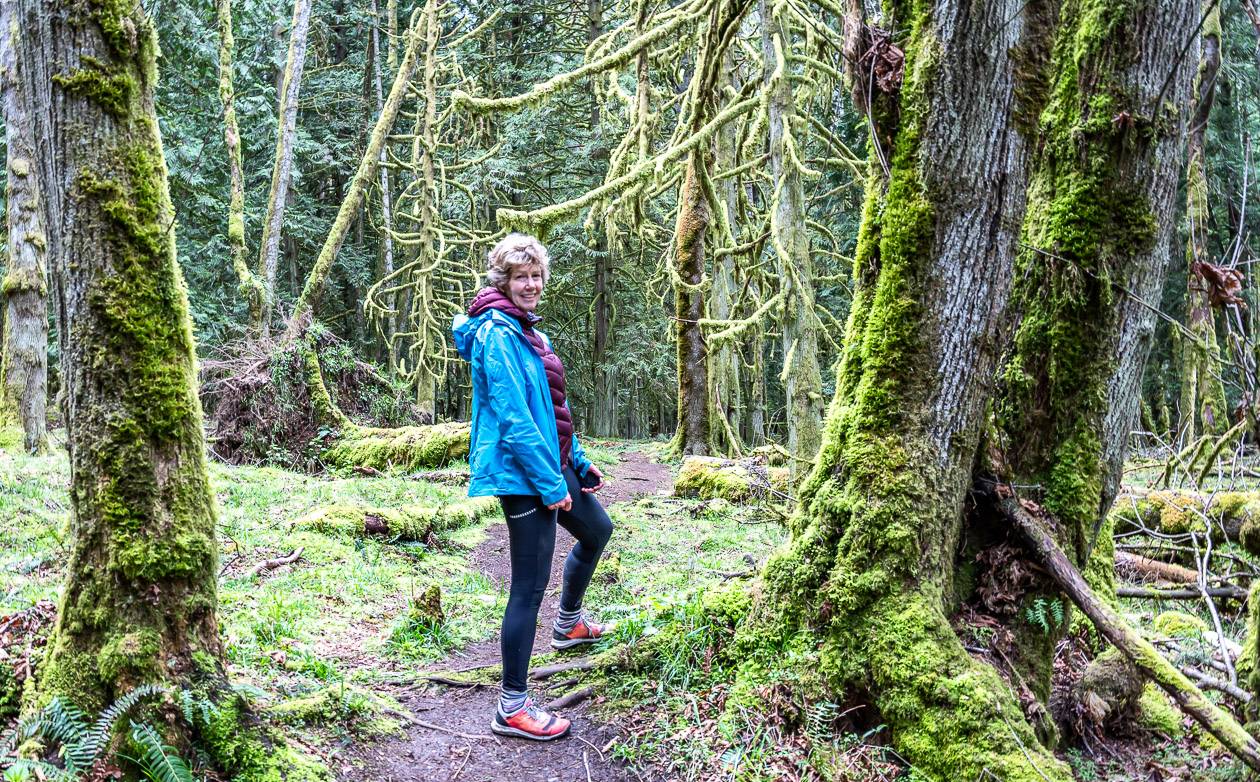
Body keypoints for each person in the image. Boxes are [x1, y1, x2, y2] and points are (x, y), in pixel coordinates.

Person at [451, 233, 614, 741]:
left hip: (549, 461)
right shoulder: (497, 334)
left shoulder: (529, 333)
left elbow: (553, 410)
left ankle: (568, 625)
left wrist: (577, 464)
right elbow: (515, 416)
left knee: (596, 529)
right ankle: (512, 707)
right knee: (527, 585)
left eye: (536, 276)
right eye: (521, 276)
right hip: (521, 474)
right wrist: (549, 484)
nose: (531, 284)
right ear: (503, 280)